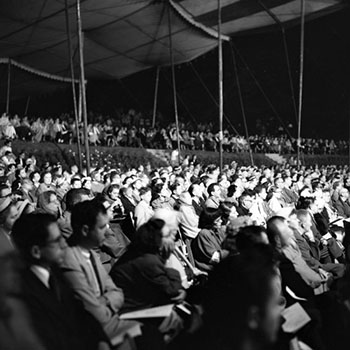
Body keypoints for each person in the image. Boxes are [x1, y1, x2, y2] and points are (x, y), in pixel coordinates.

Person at [11, 213, 106, 350]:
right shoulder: (22, 293)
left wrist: (101, 340)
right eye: (56, 241)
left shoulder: (56, 273)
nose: (64, 245)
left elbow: (82, 314)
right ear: (36, 251)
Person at [61, 199, 140, 346]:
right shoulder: (69, 259)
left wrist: (104, 301)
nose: (107, 231)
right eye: (102, 227)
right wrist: (109, 302)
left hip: (108, 323)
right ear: (85, 230)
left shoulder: (89, 252)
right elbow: (94, 312)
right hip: (92, 334)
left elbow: (117, 292)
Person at [110, 218, 184, 313]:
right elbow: (171, 290)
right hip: (135, 311)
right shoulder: (149, 260)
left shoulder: (136, 253)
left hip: (132, 305)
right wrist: (167, 260)